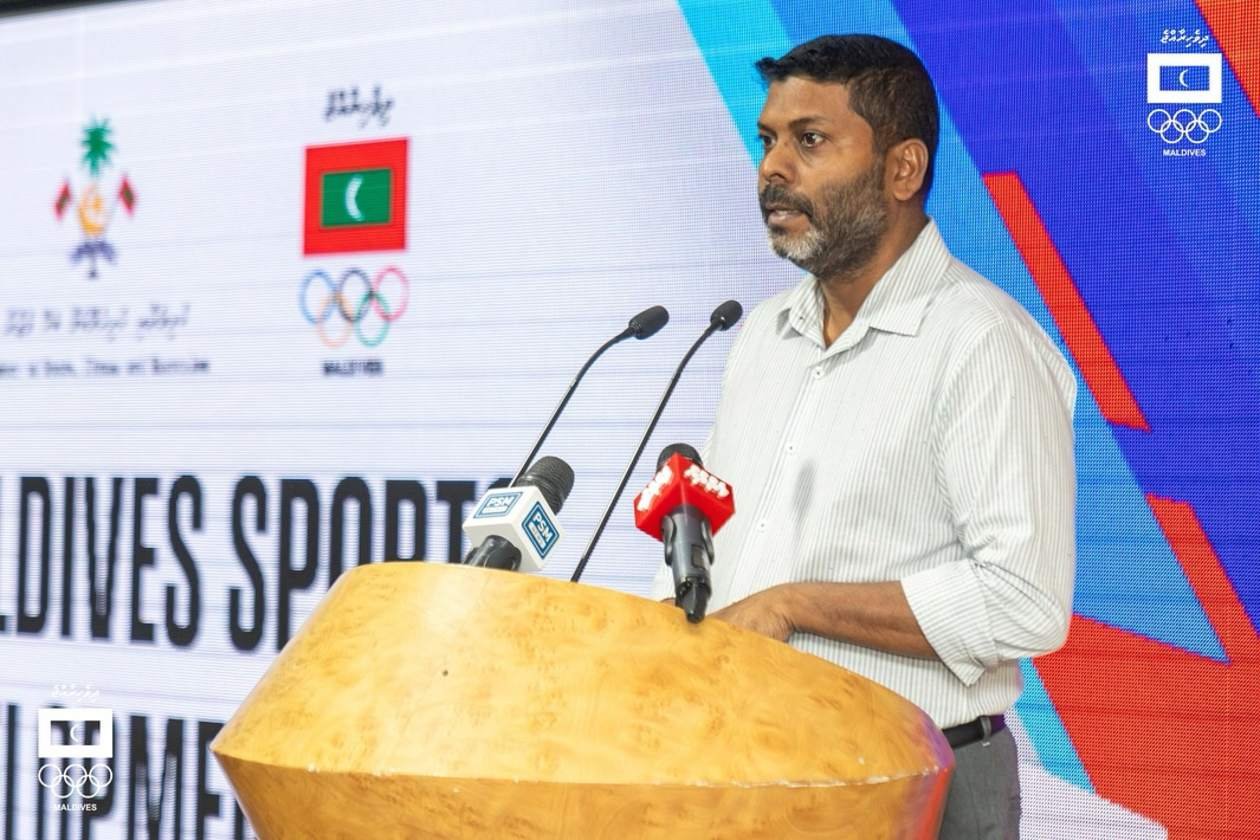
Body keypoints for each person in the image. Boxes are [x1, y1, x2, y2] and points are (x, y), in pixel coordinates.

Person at [650, 34, 1077, 839]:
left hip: (915, 783)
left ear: (903, 169)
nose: (773, 169)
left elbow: (1024, 602)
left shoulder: (982, 343)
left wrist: (797, 605)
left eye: (810, 140)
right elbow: (740, 551)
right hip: (749, 774)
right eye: (768, 141)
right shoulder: (760, 335)